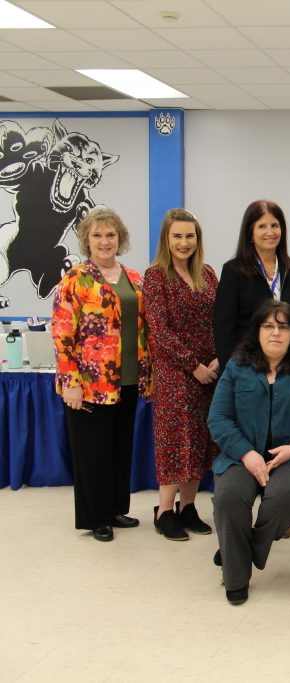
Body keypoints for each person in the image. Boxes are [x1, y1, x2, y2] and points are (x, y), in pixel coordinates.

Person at [207, 301, 290, 606]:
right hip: (242, 457)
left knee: (283, 498)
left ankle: (243, 547)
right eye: (268, 326)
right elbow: (219, 418)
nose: (276, 333)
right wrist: (246, 453)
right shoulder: (236, 368)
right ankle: (236, 581)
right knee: (229, 497)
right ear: (257, 331)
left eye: (283, 326)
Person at [51, 207, 154, 542]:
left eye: (110, 235)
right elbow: (62, 334)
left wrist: (147, 376)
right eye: (97, 235)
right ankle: (96, 517)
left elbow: (145, 331)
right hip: (89, 384)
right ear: (87, 240)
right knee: (92, 452)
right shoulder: (75, 279)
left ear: (119, 238)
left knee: (119, 448)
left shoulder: (135, 279)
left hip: (126, 379)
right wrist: (71, 382)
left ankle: (114, 509)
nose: (104, 241)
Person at [143, 208, 219, 541]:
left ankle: (188, 507)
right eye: (177, 236)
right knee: (176, 442)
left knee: (201, 441)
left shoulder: (208, 273)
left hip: (211, 372)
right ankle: (164, 511)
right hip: (177, 374)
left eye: (190, 236)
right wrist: (194, 365)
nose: (184, 242)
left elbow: (221, 319)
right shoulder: (156, 276)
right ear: (166, 239)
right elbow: (160, 330)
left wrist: (217, 360)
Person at [213, 200, 290, 368]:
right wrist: (231, 368)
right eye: (262, 226)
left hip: (287, 363)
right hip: (247, 365)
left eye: (275, 225)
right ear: (250, 232)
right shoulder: (234, 271)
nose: (270, 232)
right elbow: (223, 327)